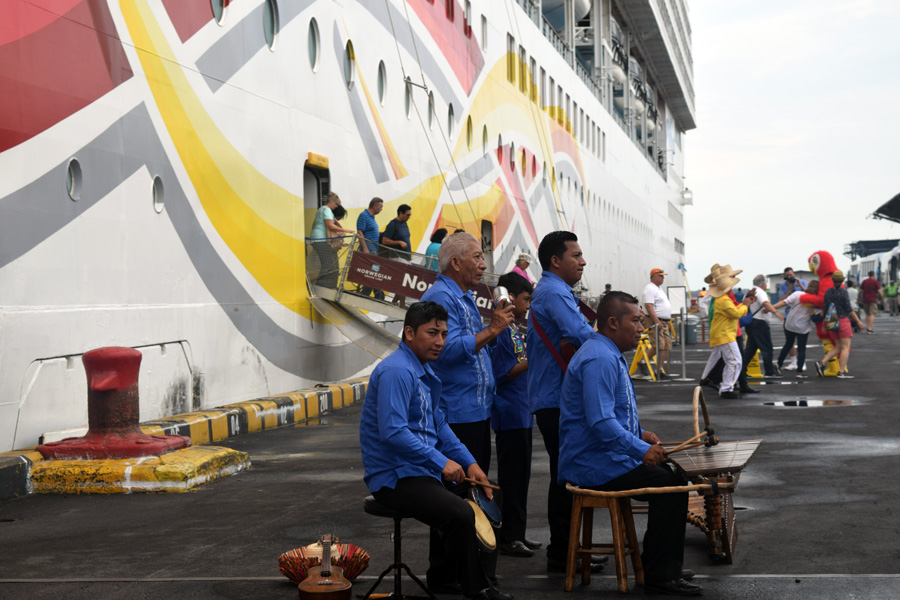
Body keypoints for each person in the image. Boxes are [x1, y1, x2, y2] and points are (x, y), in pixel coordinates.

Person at [358, 301, 512, 600]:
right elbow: (393, 432)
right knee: (459, 513)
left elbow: (440, 427)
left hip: (420, 472)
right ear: (410, 333)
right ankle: (477, 589)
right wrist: (442, 462)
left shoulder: (424, 373)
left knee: (489, 495)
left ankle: (451, 579)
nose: (440, 341)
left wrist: (470, 463)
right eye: (432, 333)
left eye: (444, 333)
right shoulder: (396, 371)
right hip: (394, 478)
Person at [559, 291, 701, 596]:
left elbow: (611, 416)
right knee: (669, 485)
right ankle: (660, 572)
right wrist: (640, 450)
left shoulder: (608, 353)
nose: (642, 327)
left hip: (606, 457)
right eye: (636, 321)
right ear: (612, 322)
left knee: (674, 476)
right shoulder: (599, 357)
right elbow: (600, 423)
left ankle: (663, 566)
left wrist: (640, 433)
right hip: (594, 464)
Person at [420, 232, 516, 591]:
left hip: (474, 411)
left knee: (472, 496)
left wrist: (497, 332)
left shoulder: (462, 297)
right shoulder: (441, 297)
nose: (483, 264)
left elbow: (476, 349)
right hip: (456, 413)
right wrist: (493, 328)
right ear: (455, 262)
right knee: (456, 498)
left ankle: (461, 570)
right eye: (476, 257)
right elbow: (445, 349)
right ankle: (448, 574)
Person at [525, 231, 603, 573]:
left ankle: (568, 548)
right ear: (556, 261)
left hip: (555, 397)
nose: (583, 261)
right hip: (557, 399)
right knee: (566, 475)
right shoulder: (554, 292)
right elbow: (582, 334)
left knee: (566, 473)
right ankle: (564, 551)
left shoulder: (554, 291)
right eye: (576, 255)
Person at [490, 272, 538, 558]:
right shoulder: (502, 333)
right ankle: (508, 537)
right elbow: (501, 374)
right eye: (525, 299)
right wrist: (534, 359)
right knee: (512, 479)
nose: (527, 305)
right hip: (510, 415)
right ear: (510, 299)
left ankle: (518, 532)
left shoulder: (513, 329)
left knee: (522, 478)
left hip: (522, 412)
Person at [699, 264, 754, 399]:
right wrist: (746, 305)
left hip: (723, 334)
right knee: (735, 361)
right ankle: (726, 388)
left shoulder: (720, 299)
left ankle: (725, 386)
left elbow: (732, 311)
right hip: (725, 334)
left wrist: (744, 305)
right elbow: (735, 313)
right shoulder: (724, 300)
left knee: (731, 360)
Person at [815, 271, 863, 379]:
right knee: (845, 347)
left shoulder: (828, 292)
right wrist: (858, 321)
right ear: (842, 280)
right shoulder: (843, 292)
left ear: (833, 280)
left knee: (838, 346)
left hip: (832, 320)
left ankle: (822, 363)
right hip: (843, 320)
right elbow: (849, 309)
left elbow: (826, 308)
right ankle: (841, 372)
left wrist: (824, 324)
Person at [773, 279, 819, 378]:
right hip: (802, 327)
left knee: (788, 344)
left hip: (789, 324)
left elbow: (783, 303)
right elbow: (819, 314)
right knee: (801, 349)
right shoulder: (815, 301)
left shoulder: (797, 294)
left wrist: (771, 308)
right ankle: (799, 372)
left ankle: (779, 364)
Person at [742, 275, 784, 379]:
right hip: (760, 324)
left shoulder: (748, 292)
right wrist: (775, 312)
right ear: (763, 283)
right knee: (767, 348)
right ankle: (769, 372)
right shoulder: (760, 292)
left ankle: (741, 371)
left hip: (751, 323)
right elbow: (765, 303)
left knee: (750, 350)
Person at [310, 192, 355, 287]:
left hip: (318, 239)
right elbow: (330, 226)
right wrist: (346, 230)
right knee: (329, 265)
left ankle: (326, 286)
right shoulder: (326, 210)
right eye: (336, 204)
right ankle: (321, 286)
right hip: (320, 240)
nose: (336, 207)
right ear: (331, 201)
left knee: (329, 265)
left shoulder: (321, 210)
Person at [641, 268, 673, 378]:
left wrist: (667, 320)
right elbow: (648, 306)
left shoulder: (658, 289)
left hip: (662, 321)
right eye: (661, 276)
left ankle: (659, 369)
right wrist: (656, 321)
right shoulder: (650, 289)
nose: (663, 278)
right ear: (654, 276)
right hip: (654, 320)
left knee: (665, 345)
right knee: (658, 345)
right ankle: (643, 362)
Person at [382, 204, 413, 308]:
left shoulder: (405, 224)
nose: (409, 217)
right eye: (407, 215)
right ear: (401, 213)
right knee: (402, 281)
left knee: (402, 281)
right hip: (397, 256)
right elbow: (384, 240)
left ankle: (394, 302)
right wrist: (399, 242)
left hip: (406, 257)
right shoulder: (393, 224)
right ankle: (402, 304)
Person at [777, 267, 808, 370]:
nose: (790, 277)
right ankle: (793, 362)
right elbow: (781, 299)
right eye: (788, 276)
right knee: (789, 342)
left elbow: (810, 294)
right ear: (785, 277)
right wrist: (789, 290)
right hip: (789, 315)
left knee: (801, 343)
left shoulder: (802, 281)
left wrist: (800, 285)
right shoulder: (783, 286)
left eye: (791, 275)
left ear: (794, 274)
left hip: (802, 316)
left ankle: (801, 363)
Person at [355, 198, 386, 299]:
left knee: (373, 272)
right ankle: (378, 295)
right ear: (375, 206)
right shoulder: (364, 215)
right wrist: (365, 248)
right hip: (369, 249)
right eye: (380, 207)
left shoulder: (372, 217)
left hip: (373, 249)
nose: (381, 209)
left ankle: (367, 293)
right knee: (373, 271)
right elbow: (360, 232)